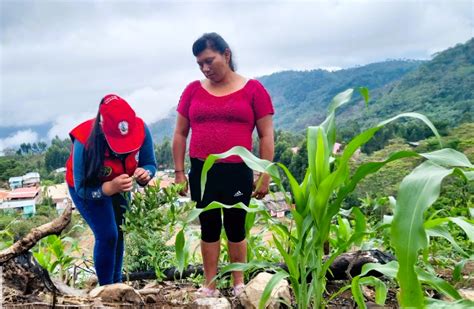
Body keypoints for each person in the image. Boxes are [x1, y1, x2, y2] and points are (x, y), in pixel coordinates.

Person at [172, 33, 275, 297]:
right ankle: (210, 285)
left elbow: (266, 135)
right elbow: (180, 134)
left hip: (237, 170)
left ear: (226, 55)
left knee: (236, 225)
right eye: (199, 64)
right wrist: (180, 172)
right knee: (208, 226)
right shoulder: (193, 90)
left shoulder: (254, 90)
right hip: (202, 171)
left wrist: (264, 174)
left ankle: (239, 283)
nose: (205, 68)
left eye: (209, 60)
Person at [66, 94, 156, 286]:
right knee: (107, 234)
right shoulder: (84, 140)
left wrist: (145, 174)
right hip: (88, 188)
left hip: (120, 187)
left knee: (120, 232)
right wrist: (106, 189)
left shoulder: (141, 129)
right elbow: (81, 187)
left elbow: (150, 163)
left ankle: (117, 284)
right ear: (101, 124)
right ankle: (106, 288)